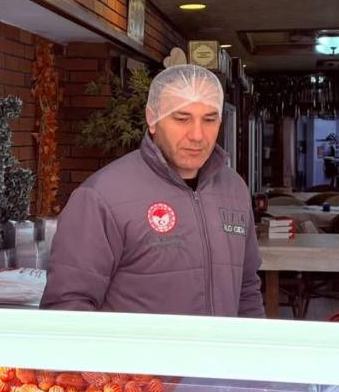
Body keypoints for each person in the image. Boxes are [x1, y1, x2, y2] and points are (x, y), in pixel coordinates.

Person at [41, 64, 264, 317]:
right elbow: (68, 305)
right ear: (153, 119)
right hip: (135, 357)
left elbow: (247, 289)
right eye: (182, 119)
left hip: (221, 356)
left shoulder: (233, 189)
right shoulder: (101, 196)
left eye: (209, 119)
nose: (197, 135)